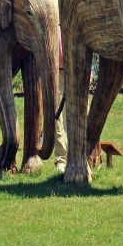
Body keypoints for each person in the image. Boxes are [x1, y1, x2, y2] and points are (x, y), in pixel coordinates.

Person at [54, 27, 67, 173]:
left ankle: (84, 155)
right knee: (58, 118)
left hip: (75, 69)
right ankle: (61, 159)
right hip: (56, 71)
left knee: (80, 114)